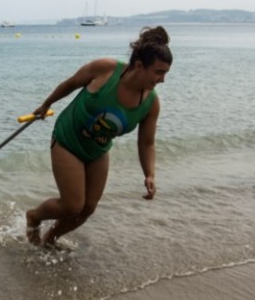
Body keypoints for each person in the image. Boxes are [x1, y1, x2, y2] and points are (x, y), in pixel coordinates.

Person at [26, 26, 173, 248]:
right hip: (68, 141)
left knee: (88, 208)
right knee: (72, 205)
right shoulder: (105, 70)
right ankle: (34, 216)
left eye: (165, 73)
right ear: (140, 65)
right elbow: (71, 83)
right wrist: (46, 104)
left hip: (98, 150)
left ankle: (50, 240)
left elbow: (146, 142)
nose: (162, 79)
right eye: (159, 72)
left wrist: (150, 174)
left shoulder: (151, 103)